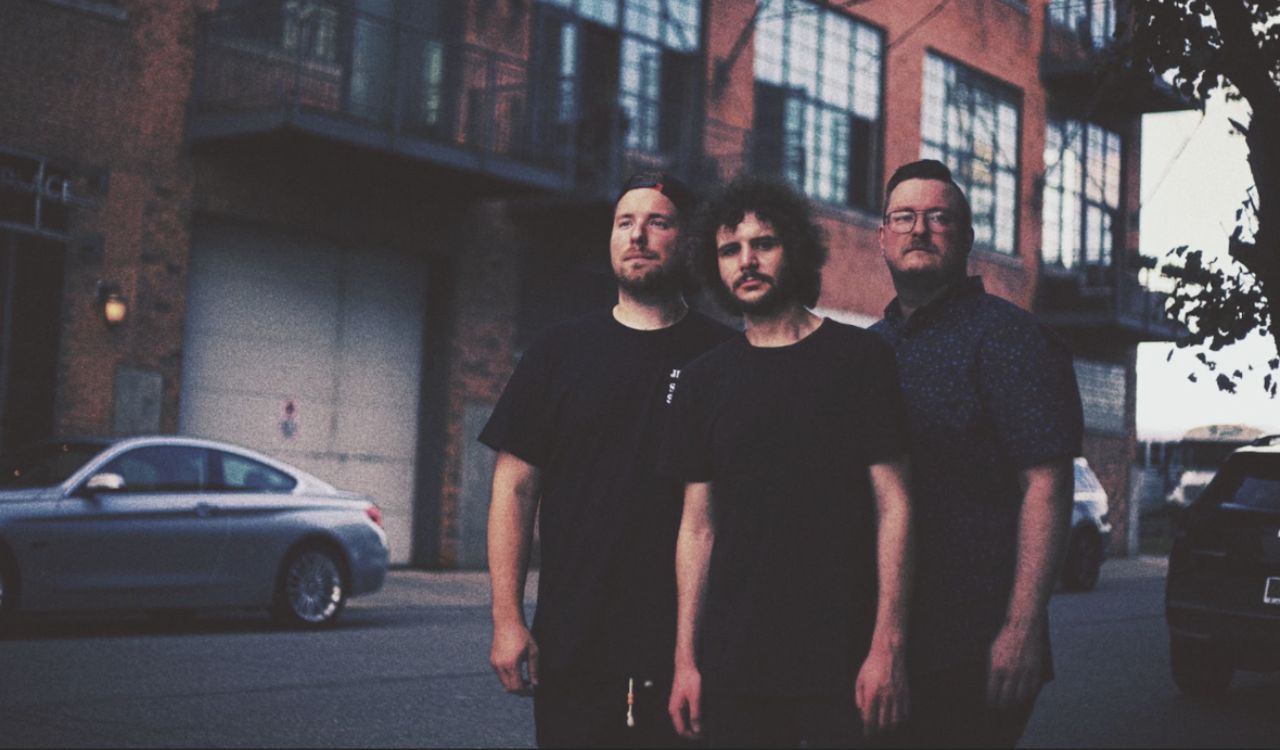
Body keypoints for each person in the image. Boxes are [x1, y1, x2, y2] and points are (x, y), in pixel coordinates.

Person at [481, 172, 735, 748]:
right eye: (625, 222)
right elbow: (515, 489)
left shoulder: (722, 357)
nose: (638, 235)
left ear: (686, 241)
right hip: (574, 640)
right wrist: (507, 618)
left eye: (657, 222)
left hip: (690, 648)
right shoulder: (558, 352)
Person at [663, 176, 914, 747]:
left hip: (843, 656)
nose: (746, 261)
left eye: (763, 243)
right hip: (735, 660)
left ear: (795, 249)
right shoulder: (705, 379)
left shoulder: (860, 360)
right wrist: (686, 660)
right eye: (730, 249)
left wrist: (887, 645)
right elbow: (697, 528)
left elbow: (895, 505)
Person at [869, 159, 1084, 748]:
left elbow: (1047, 483)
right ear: (881, 237)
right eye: (904, 217)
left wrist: (1021, 628)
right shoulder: (869, 350)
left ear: (965, 238)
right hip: (887, 640)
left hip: (977, 640)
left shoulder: (1010, 338)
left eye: (939, 217)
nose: (919, 230)